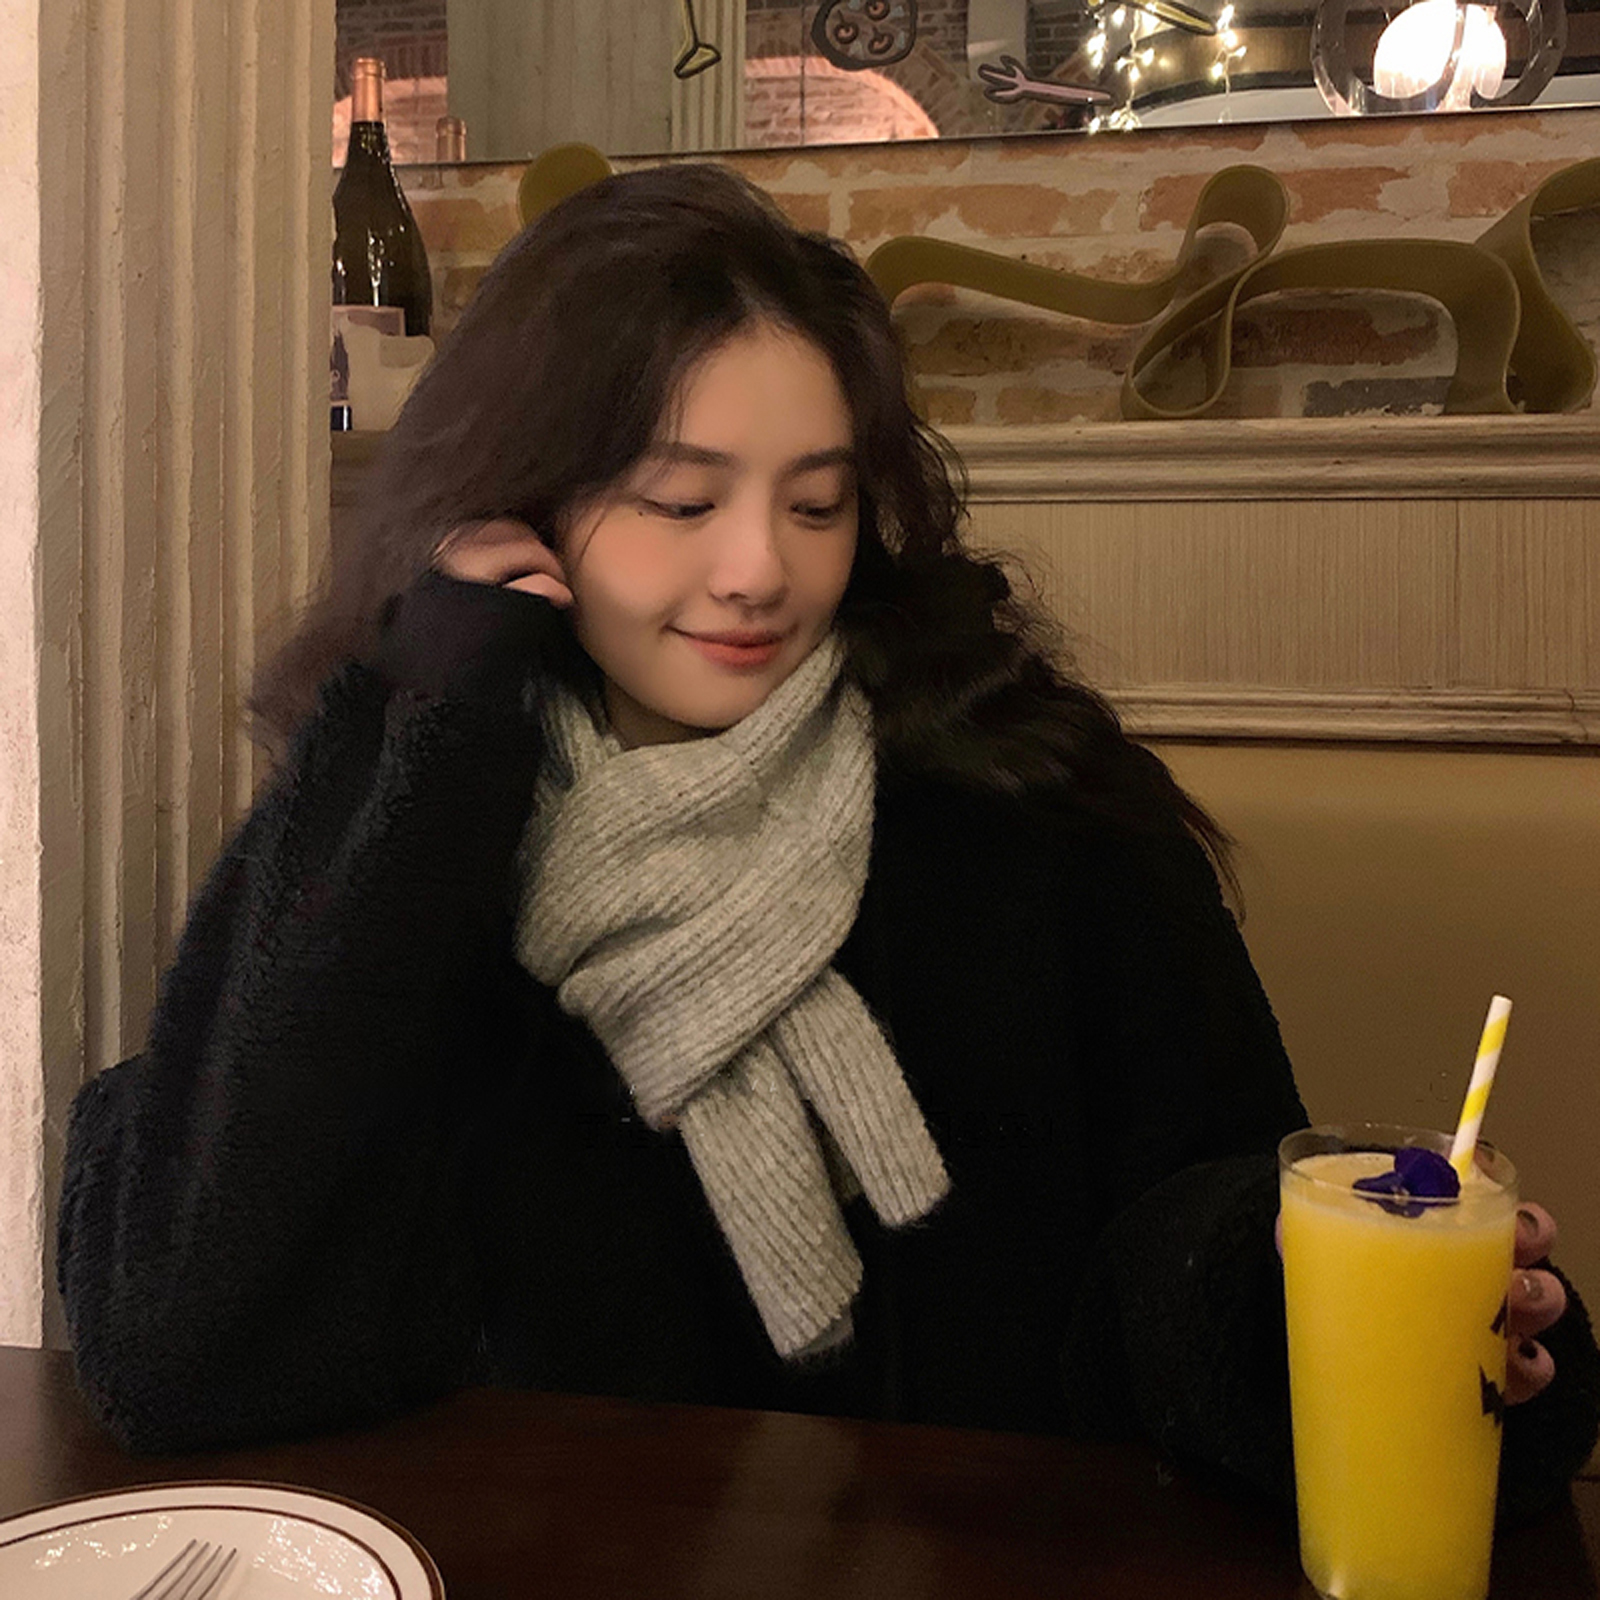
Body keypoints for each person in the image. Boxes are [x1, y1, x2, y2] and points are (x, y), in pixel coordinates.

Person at [57, 164, 1597, 1522]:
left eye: (816, 505)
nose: (758, 571)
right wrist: (427, 725)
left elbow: (1186, 1223)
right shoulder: (418, 832)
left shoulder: (1028, 801)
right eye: (678, 500)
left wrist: (1360, 1311)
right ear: (517, 506)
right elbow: (184, 1339)